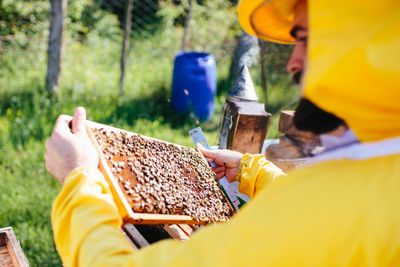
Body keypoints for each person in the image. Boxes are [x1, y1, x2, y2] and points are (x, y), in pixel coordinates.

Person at [46, 0, 400, 265]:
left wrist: (78, 180)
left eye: (306, 40)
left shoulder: (323, 219)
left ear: (361, 44)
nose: (293, 61)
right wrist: (252, 170)